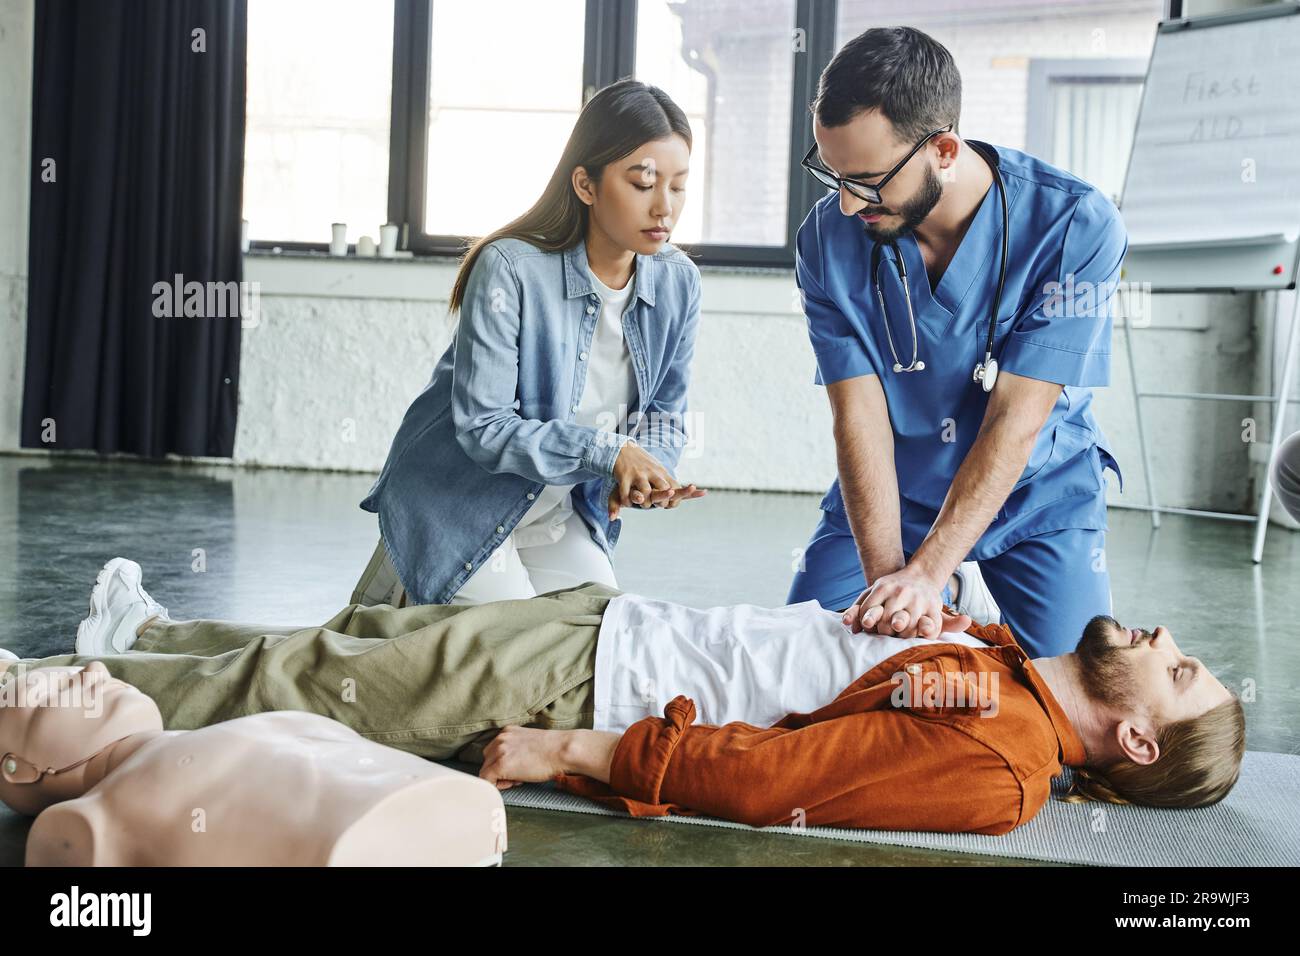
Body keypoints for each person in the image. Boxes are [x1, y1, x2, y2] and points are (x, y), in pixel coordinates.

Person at [0, 557, 1244, 836]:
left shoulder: (1004, 762)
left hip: (602, 681)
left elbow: (773, 777)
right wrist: (935, 603)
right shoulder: (1009, 665)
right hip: (621, 626)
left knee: (316, 682)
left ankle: (38, 709)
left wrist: (572, 749)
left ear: (1135, 735)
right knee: (361, 638)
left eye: (1177, 668)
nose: (1161, 633)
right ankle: (142, 643)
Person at [789, 26, 1127, 657]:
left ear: (943, 149)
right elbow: (858, 418)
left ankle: (960, 584)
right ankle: (955, 596)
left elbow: (1015, 422)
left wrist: (928, 573)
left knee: (1074, 712)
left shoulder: (1075, 224)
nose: (843, 204)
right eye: (830, 174)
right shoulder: (826, 240)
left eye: (865, 180)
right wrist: (893, 586)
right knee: (809, 671)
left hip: (1036, 492)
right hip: (898, 490)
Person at [353, 79, 706, 610]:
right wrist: (611, 452)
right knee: (514, 656)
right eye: (643, 183)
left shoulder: (678, 282)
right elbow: (484, 428)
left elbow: (665, 414)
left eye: (678, 186)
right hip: (461, 505)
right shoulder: (511, 270)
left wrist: (647, 470)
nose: (664, 208)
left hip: (559, 508)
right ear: (585, 185)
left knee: (599, 639)